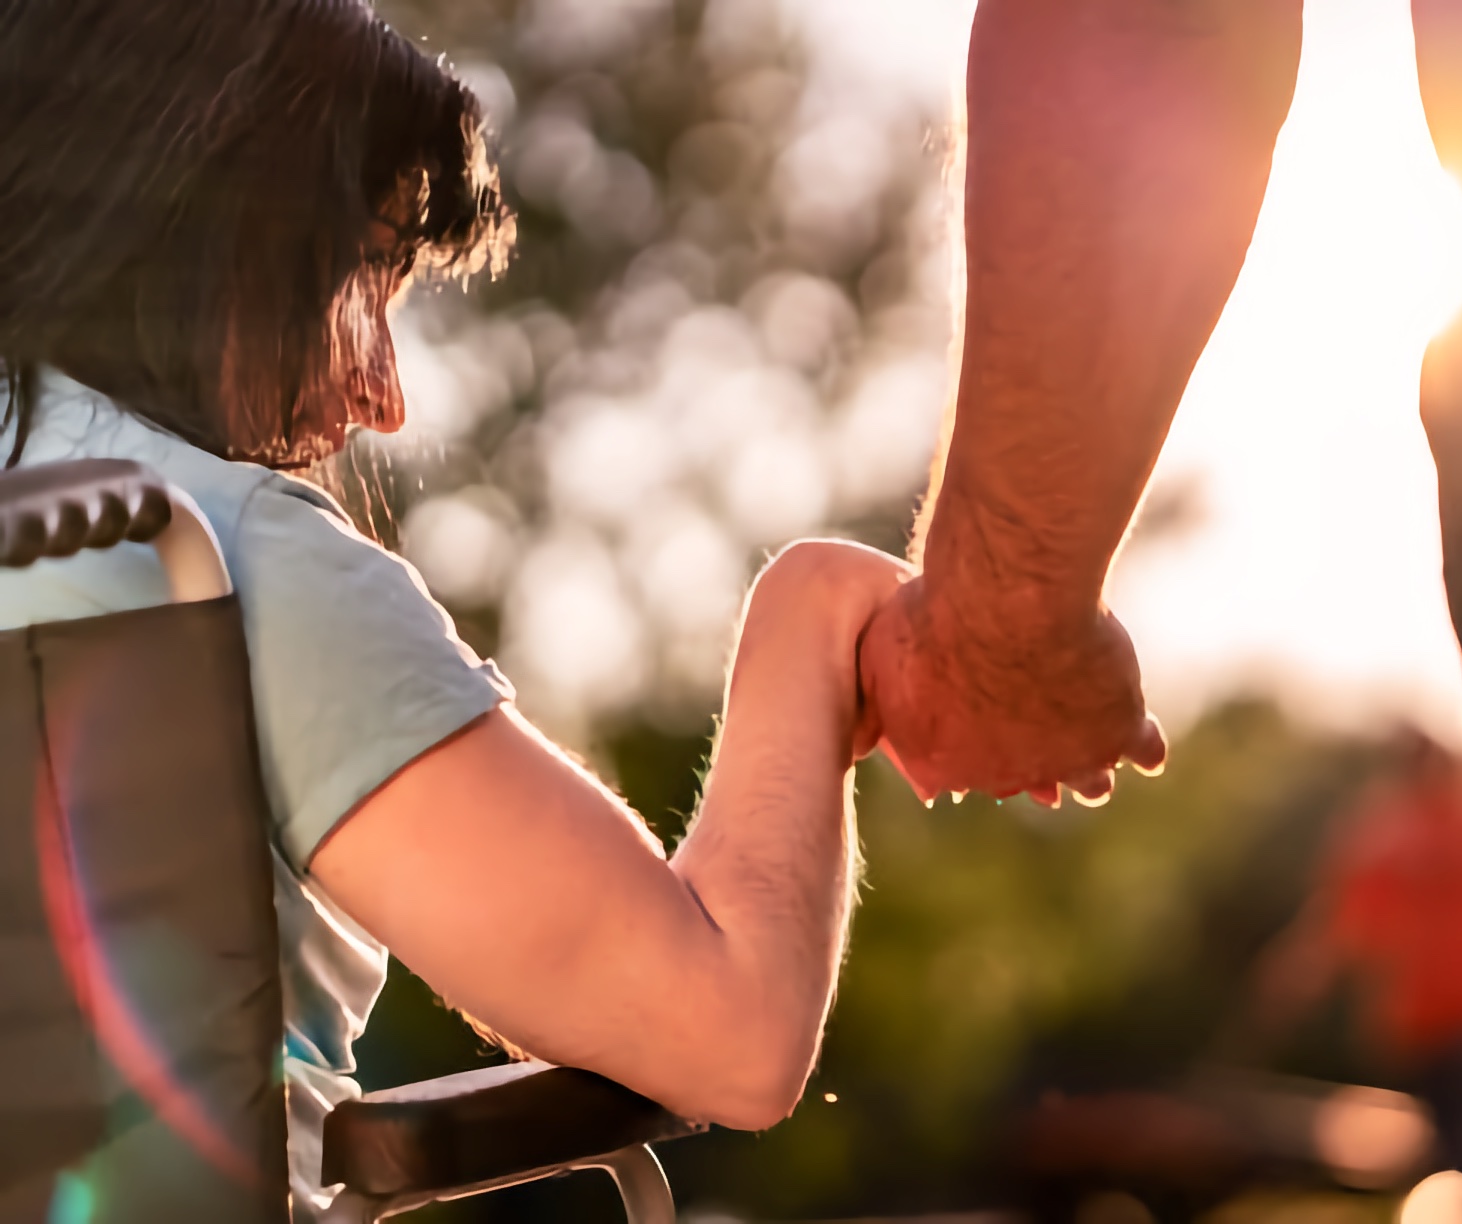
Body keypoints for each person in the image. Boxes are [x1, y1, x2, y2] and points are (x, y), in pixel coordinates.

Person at [860, 0, 1462, 1216]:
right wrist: (1284, 984)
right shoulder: (1397, 829)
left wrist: (1008, 615)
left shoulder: (1446, 822)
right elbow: (1340, 924)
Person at [0, 1, 906, 1217]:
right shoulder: (200, 551)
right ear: (214, 218)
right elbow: (730, 1035)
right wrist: (816, 605)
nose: (382, 398)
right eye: (363, 275)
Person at [1256, 735, 1462, 1190]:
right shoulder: (1392, 837)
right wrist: (1294, 978)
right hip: (1431, 1024)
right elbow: (1342, 924)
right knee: (1454, 1161)